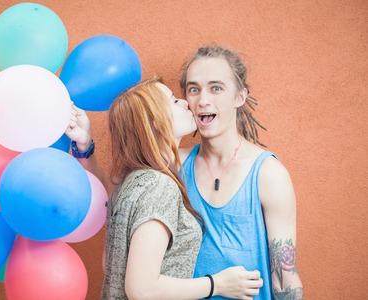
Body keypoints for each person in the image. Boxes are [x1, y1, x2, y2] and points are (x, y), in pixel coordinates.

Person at [66, 77, 263, 299]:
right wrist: (217, 284)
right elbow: (141, 289)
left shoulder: (132, 182)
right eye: (174, 101)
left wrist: (84, 146)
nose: (186, 102)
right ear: (155, 122)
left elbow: (113, 266)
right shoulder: (159, 187)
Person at [178, 45, 304, 299]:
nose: (203, 100)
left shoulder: (268, 174)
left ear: (240, 97)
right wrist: (86, 150)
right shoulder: (176, 164)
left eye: (216, 88)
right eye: (194, 89)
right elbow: (122, 202)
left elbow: (284, 278)